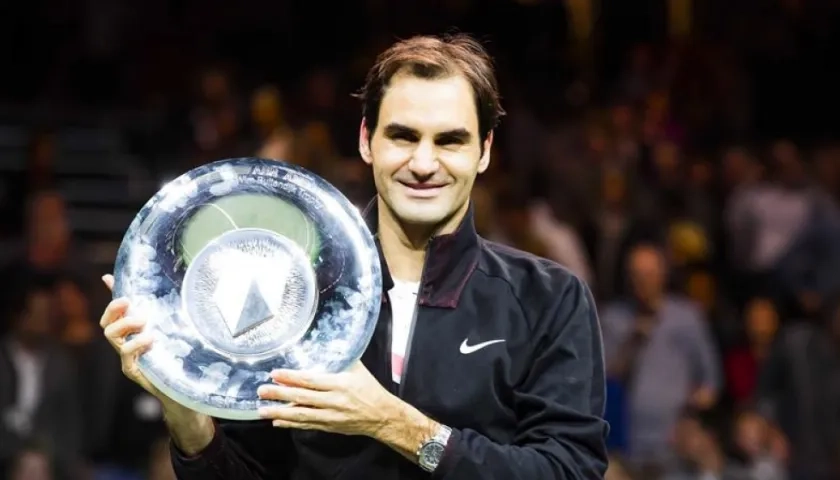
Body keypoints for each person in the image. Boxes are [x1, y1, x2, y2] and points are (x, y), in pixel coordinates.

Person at [98, 33, 609, 479]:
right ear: (367, 141)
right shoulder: (290, 296)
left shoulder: (550, 298)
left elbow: (568, 470)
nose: (424, 163)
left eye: (450, 140)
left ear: (485, 150)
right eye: (403, 136)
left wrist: (392, 422)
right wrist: (185, 411)